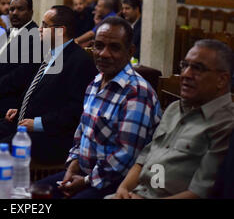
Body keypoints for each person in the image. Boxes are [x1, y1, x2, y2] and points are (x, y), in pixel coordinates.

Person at [36, 16, 162, 199]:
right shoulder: (96, 82)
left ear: (130, 51)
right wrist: (72, 166)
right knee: (34, 193)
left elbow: (125, 157)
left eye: (114, 47)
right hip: (84, 173)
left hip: (116, 183)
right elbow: (82, 132)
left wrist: (86, 180)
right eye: (99, 46)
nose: (103, 53)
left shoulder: (136, 93)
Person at [112, 39, 233, 199]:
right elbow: (144, 158)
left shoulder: (226, 123)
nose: (185, 74)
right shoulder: (174, 108)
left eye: (197, 68)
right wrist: (123, 188)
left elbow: (200, 192)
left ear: (221, 79)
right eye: (185, 65)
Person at [0, 5, 98, 168]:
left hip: (51, 133)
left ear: (60, 30)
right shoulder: (50, 52)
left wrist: (36, 123)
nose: (39, 29)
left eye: (44, 25)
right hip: (24, 122)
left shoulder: (80, 61)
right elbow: (35, 90)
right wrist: (18, 108)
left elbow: (74, 111)